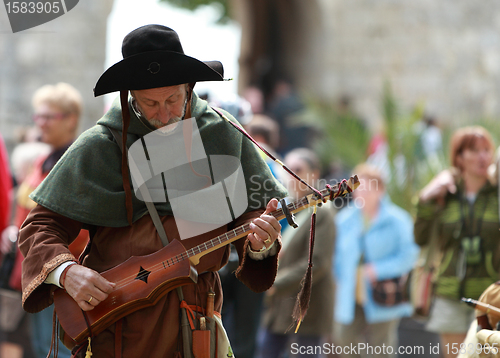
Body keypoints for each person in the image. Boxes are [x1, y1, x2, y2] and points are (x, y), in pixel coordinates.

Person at [19, 24, 287, 358]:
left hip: (196, 323)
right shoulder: (102, 144)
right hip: (117, 322)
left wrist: (261, 242)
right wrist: (67, 272)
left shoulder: (219, 133)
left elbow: (251, 216)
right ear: (130, 95)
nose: (165, 114)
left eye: (173, 99)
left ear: (189, 88)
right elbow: (39, 227)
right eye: (150, 103)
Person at [1, 83, 88, 358]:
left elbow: (80, 226)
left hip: (61, 274)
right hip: (34, 273)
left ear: (71, 118)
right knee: (41, 347)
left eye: (49, 117)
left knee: (59, 349)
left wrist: (61, 265)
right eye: (38, 116)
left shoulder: (77, 160)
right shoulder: (43, 159)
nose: (41, 123)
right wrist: (14, 228)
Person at [415, 126, 500, 358]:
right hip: (450, 294)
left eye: (486, 150)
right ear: (459, 157)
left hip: (491, 297)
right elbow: (420, 237)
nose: (483, 156)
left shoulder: (497, 194)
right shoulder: (445, 195)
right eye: (474, 150)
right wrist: (425, 197)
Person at [257, 148, 336, 358]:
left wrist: (275, 285)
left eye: (298, 169)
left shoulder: (322, 211)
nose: (291, 175)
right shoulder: (288, 207)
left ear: (314, 174)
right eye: (288, 169)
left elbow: (316, 263)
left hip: (306, 306)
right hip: (279, 306)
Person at [334, 163, 418, 358]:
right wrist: (337, 279)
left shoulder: (398, 219)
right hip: (350, 291)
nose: (361, 193)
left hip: (383, 291)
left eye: (366, 187)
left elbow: (409, 255)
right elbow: (336, 255)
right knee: (343, 339)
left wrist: (378, 270)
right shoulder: (344, 219)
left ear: (380, 190)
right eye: (357, 188)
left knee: (381, 347)